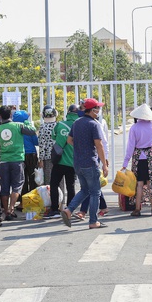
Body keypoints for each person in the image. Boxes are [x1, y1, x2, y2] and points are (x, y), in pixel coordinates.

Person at [60, 98, 109, 229]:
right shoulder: (94, 124)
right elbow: (99, 145)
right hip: (90, 163)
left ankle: (69, 210)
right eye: (97, 108)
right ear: (92, 110)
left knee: (85, 190)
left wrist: (81, 146)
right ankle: (93, 221)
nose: (98, 110)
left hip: (77, 163)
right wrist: (104, 164)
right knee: (95, 192)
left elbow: (69, 140)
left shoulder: (76, 123)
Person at [0, 105, 36, 220]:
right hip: (17, 160)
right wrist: (28, 122)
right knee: (17, 185)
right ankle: (11, 208)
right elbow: (32, 132)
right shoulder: (19, 126)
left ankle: (5, 211)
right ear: (10, 115)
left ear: (0, 116)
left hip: (3, 161)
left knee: (4, 187)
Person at [122, 103, 152, 217]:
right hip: (151, 158)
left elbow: (130, 146)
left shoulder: (134, 128)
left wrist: (125, 162)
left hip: (139, 158)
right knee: (151, 183)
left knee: (139, 184)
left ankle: (137, 208)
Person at [47, 104, 78, 218]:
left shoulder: (60, 124)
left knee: (54, 185)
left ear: (68, 113)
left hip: (59, 161)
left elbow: (53, 137)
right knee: (71, 186)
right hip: (72, 162)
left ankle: (54, 209)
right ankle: (70, 209)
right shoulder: (78, 126)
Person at [13, 110, 39, 196]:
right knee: (32, 177)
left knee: (21, 179)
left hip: (19, 155)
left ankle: (22, 201)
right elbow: (36, 142)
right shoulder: (29, 127)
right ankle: (33, 198)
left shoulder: (13, 128)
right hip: (31, 154)